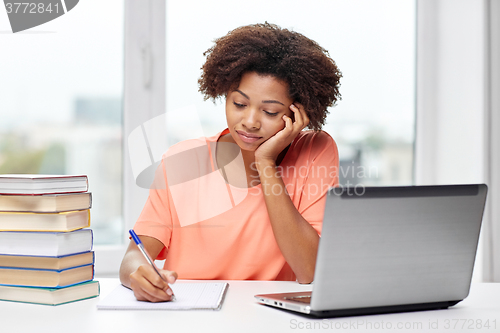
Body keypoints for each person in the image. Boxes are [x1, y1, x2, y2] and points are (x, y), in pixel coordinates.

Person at [119, 22, 342, 302]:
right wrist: (138, 275)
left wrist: (265, 162)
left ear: (298, 113)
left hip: (270, 319)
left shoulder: (315, 150)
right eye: (239, 104)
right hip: (190, 316)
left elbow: (309, 270)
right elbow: (133, 258)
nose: (249, 122)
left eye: (270, 111)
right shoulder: (182, 161)